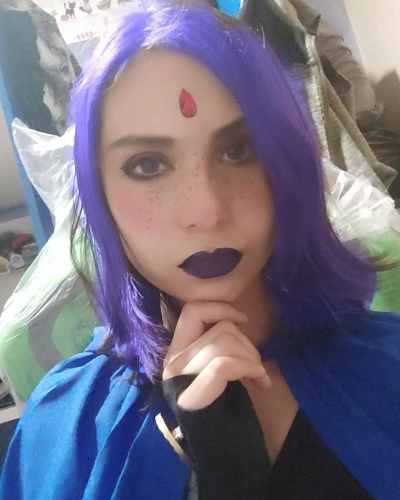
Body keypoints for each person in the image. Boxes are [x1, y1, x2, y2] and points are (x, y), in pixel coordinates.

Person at [1, 1, 400, 498]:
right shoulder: (65, 428)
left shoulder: (389, 367)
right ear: (99, 198)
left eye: (239, 150)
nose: (206, 211)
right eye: (148, 165)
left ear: (290, 167)